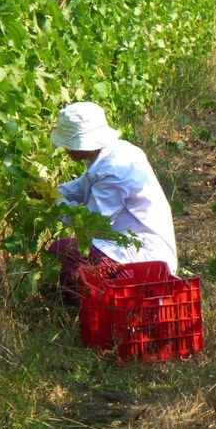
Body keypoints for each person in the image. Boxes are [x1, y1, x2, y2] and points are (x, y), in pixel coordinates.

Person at [45, 101, 178, 298]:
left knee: (65, 253)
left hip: (145, 258)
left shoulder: (117, 169)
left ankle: (96, 305)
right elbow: (84, 185)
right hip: (125, 247)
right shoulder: (113, 153)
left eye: (70, 144)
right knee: (64, 254)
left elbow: (91, 223)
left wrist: (54, 204)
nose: (66, 150)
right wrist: (53, 192)